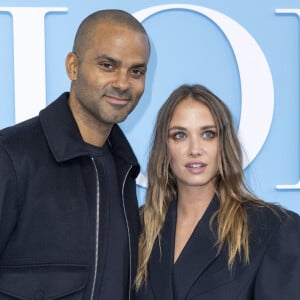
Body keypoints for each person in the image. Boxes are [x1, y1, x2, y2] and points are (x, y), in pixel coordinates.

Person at [0, 9, 150, 299]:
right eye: (108, 65)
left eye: (136, 71)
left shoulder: (124, 170)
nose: (122, 83)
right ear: (73, 66)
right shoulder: (11, 157)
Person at [135, 84, 300, 300]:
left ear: (224, 143)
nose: (195, 149)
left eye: (208, 134)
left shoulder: (272, 228)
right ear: (164, 147)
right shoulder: (138, 227)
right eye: (179, 135)